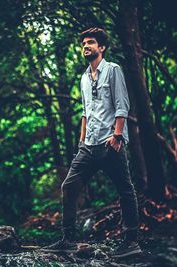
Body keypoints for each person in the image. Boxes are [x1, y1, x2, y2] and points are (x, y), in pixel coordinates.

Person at [41, 28, 141, 258]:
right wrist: (81, 141)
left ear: (102, 47)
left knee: (125, 189)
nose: (85, 46)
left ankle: (131, 240)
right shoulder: (84, 77)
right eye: (84, 43)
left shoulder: (113, 70)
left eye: (91, 42)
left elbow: (122, 105)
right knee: (69, 186)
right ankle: (68, 239)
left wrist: (117, 136)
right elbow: (86, 113)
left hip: (110, 144)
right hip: (88, 145)